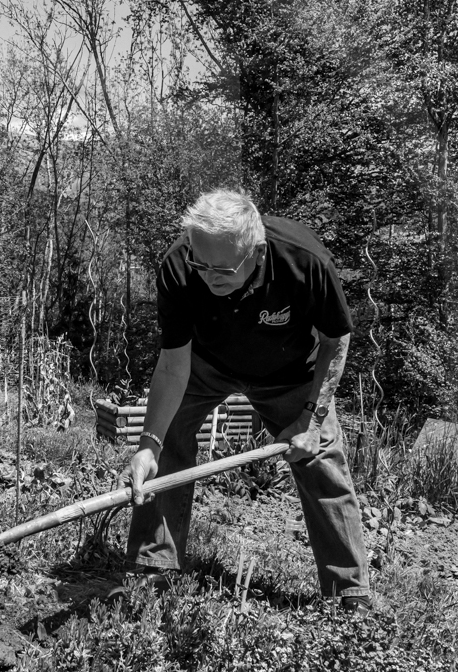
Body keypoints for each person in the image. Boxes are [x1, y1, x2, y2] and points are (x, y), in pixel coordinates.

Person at [124, 187, 371, 611]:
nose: (207, 275)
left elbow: (337, 338)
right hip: (205, 363)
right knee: (168, 438)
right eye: (200, 263)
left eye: (221, 269)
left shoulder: (304, 260)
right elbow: (171, 366)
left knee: (322, 459)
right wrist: (149, 444)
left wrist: (311, 421)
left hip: (289, 372)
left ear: (257, 252)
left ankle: (348, 593)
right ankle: (154, 566)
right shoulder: (180, 266)